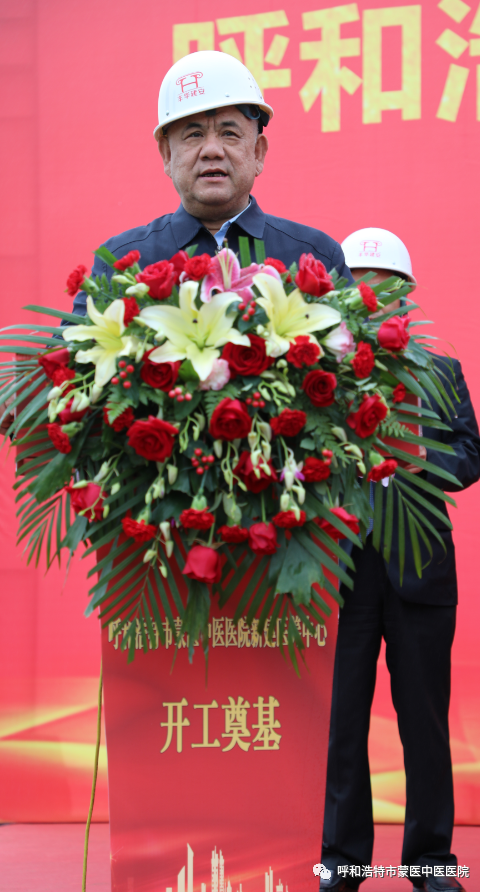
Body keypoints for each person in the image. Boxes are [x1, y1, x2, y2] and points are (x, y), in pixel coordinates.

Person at [320, 228, 480, 892]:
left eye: (385, 287)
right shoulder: (317, 373)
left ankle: (430, 862)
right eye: (359, 286)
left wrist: (414, 459)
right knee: (341, 725)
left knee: (424, 724)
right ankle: (341, 861)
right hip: (341, 571)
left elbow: (469, 456)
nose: (373, 297)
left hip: (421, 571)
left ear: (406, 296)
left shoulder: (439, 371)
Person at [71, 49, 352, 316]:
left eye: (229, 133)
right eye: (194, 135)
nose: (212, 150)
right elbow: (72, 351)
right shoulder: (120, 264)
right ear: (167, 155)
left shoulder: (316, 258)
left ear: (257, 152)